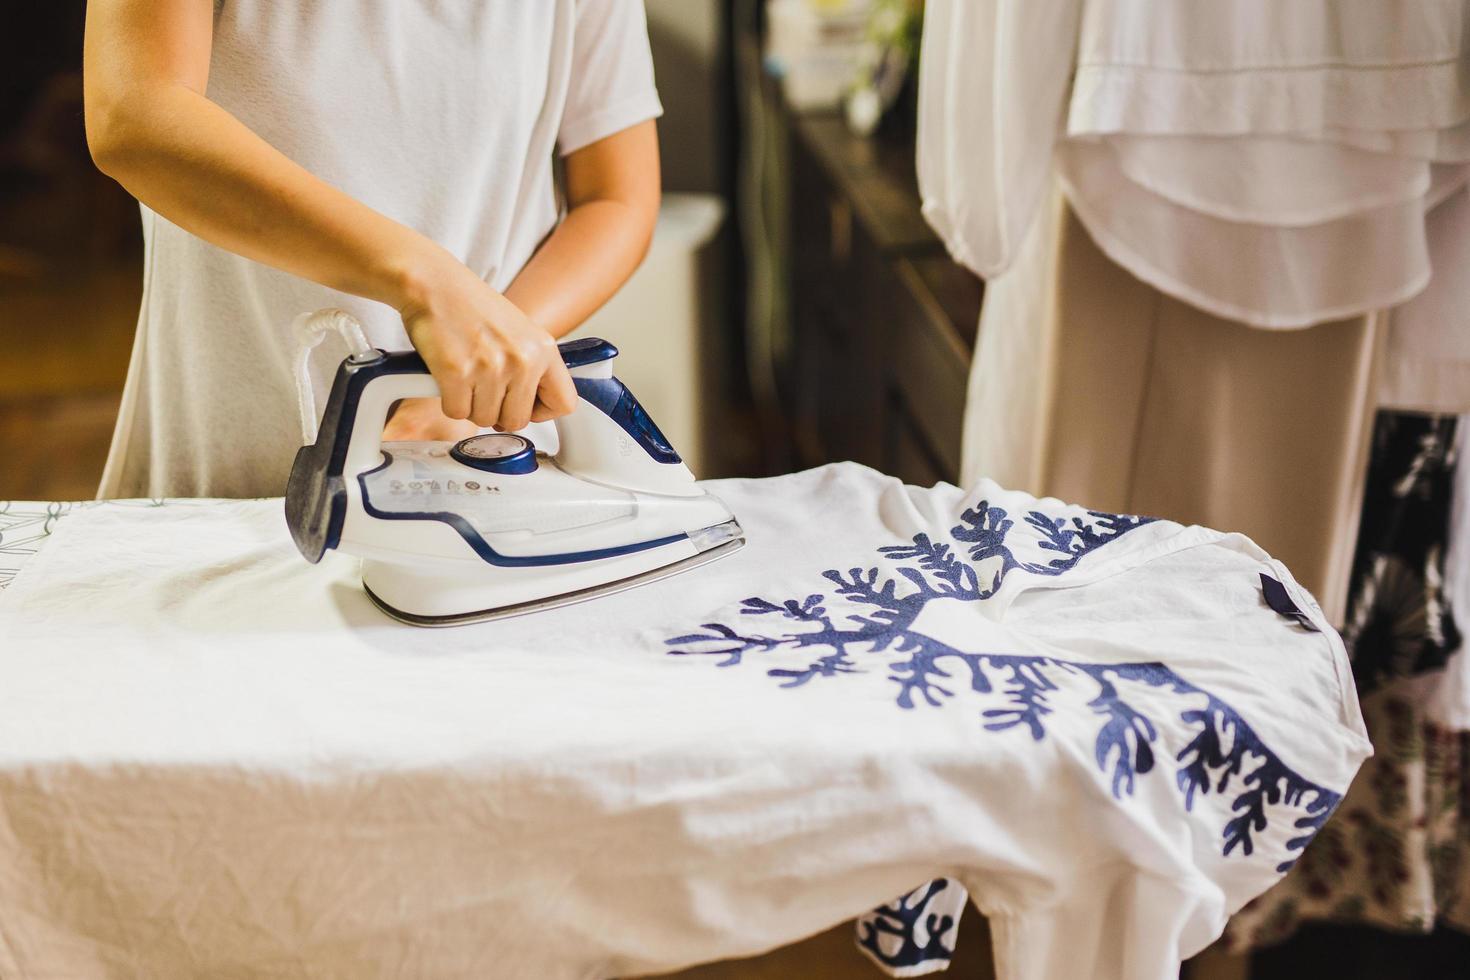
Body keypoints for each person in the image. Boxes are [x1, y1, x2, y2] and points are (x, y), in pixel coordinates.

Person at [82, 0, 663, 498]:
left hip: (479, 443)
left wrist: (474, 370)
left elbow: (616, 198)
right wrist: (428, 285)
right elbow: (134, 114)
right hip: (226, 468)